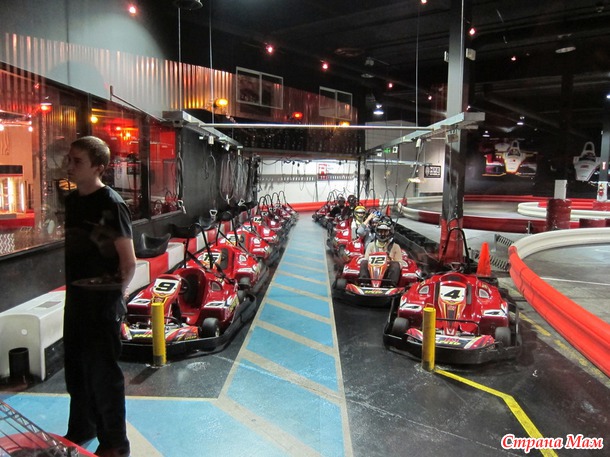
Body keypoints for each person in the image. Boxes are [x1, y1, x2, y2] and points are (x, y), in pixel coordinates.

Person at [63, 136, 136, 457]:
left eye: (77, 161)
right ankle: (83, 428)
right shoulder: (73, 201)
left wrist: (115, 298)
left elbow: (129, 262)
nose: (69, 165)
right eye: (69, 159)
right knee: (76, 372)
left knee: (103, 377)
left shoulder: (111, 204)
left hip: (102, 304)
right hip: (77, 300)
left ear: (99, 167)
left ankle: (115, 444)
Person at [359, 219, 402, 287]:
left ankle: (390, 285)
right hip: (372, 272)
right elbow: (366, 259)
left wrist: (390, 260)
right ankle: (365, 283)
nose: (382, 234)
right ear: (377, 231)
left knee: (396, 264)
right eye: (380, 231)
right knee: (364, 262)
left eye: (385, 232)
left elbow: (400, 263)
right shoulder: (371, 245)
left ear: (390, 232)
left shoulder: (395, 247)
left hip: (387, 274)